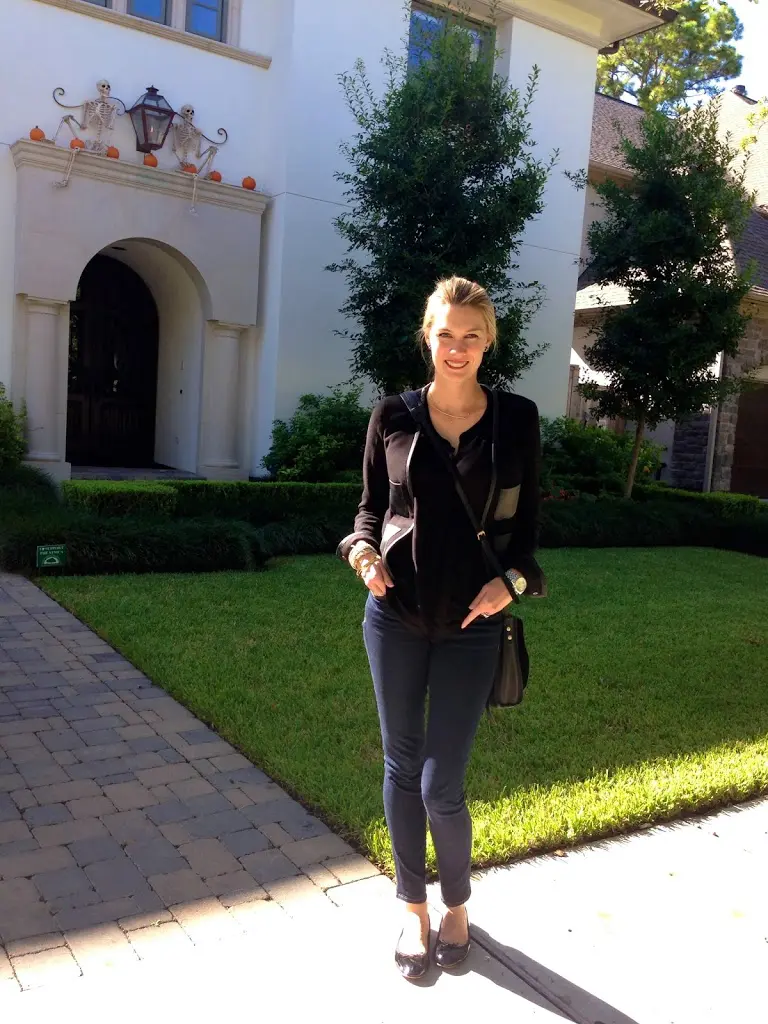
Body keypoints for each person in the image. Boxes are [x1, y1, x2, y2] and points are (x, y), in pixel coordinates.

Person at [338, 276, 542, 980]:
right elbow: (369, 511)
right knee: (400, 768)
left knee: (440, 784)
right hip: (395, 617)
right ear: (428, 337)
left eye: (471, 336)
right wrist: (362, 552)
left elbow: (528, 537)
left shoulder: (516, 419)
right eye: (446, 334)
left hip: (472, 625)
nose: (458, 348)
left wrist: (511, 583)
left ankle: (457, 904)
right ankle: (413, 909)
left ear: (488, 343)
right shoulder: (392, 415)